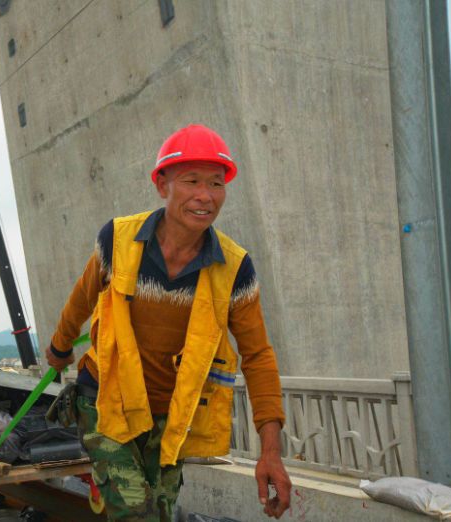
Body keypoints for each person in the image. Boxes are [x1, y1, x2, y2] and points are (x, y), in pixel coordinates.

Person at [45, 124, 292, 521]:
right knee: (133, 512)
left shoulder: (235, 269)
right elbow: (81, 299)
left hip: (172, 417)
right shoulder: (117, 240)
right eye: (191, 180)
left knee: (160, 513)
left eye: (216, 183)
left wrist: (271, 453)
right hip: (106, 401)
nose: (205, 196)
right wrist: (59, 350)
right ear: (162, 185)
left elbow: (259, 356)